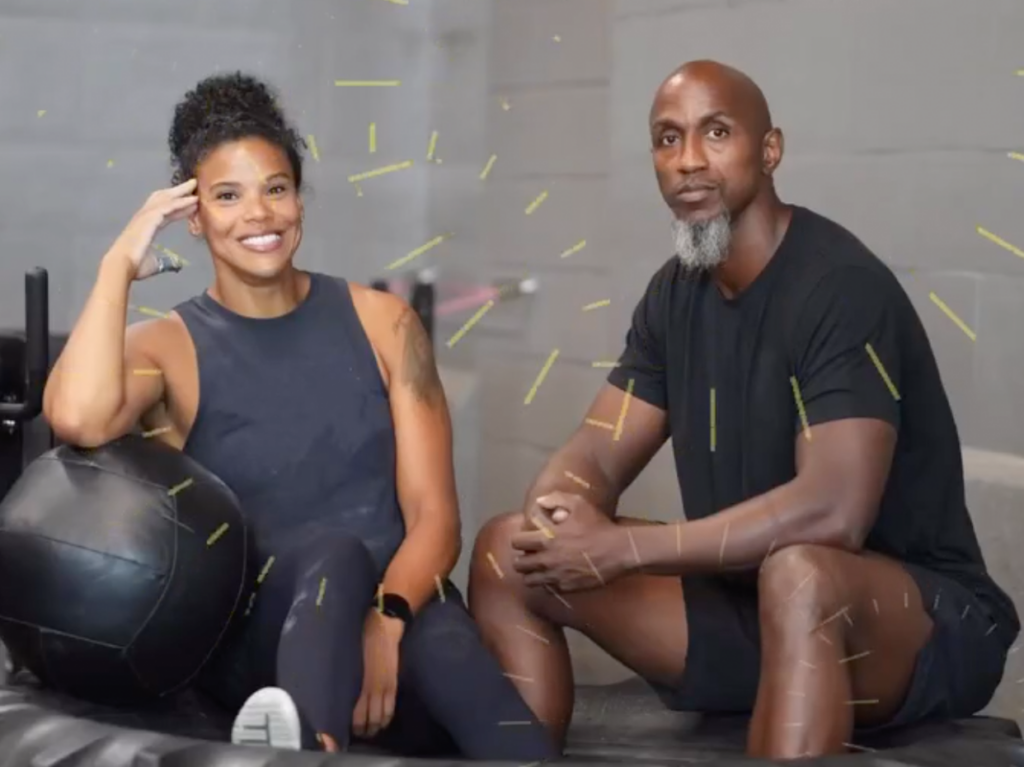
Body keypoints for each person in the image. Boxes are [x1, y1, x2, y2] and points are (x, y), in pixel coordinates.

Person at [467, 59, 1021, 761]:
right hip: (750, 601)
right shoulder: (676, 293)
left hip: (912, 623)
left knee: (801, 573)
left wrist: (622, 546)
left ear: (770, 149)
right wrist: (559, 510)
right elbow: (599, 450)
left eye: (715, 133)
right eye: (668, 140)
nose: (688, 160)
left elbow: (833, 511)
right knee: (509, 550)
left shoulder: (840, 288)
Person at [42, 72, 556, 761]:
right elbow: (76, 416)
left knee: (453, 652)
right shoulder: (165, 347)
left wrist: (385, 622)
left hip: (397, 619)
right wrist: (117, 264)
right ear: (193, 217)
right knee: (333, 552)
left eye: (276, 188)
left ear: (300, 199)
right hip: (261, 647)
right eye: (227, 195)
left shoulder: (387, 324)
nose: (259, 214)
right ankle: (305, 738)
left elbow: (437, 519)